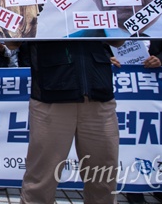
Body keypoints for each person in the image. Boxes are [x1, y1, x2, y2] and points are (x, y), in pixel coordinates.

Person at [20, 38, 123, 204]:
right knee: (41, 181)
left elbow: (118, 39)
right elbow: (11, 40)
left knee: (103, 180)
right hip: (50, 96)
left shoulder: (100, 9)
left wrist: (121, 14)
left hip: (99, 96)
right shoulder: (35, 11)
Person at [108, 40, 162, 204]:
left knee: (156, 134)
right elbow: (94, 44)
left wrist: (161, 59)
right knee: (127, 135)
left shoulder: (160, 18)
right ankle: (133, 187)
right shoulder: (106, 16)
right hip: (121, 81)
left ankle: (161, 187)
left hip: (155, 82)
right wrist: (107, 58)